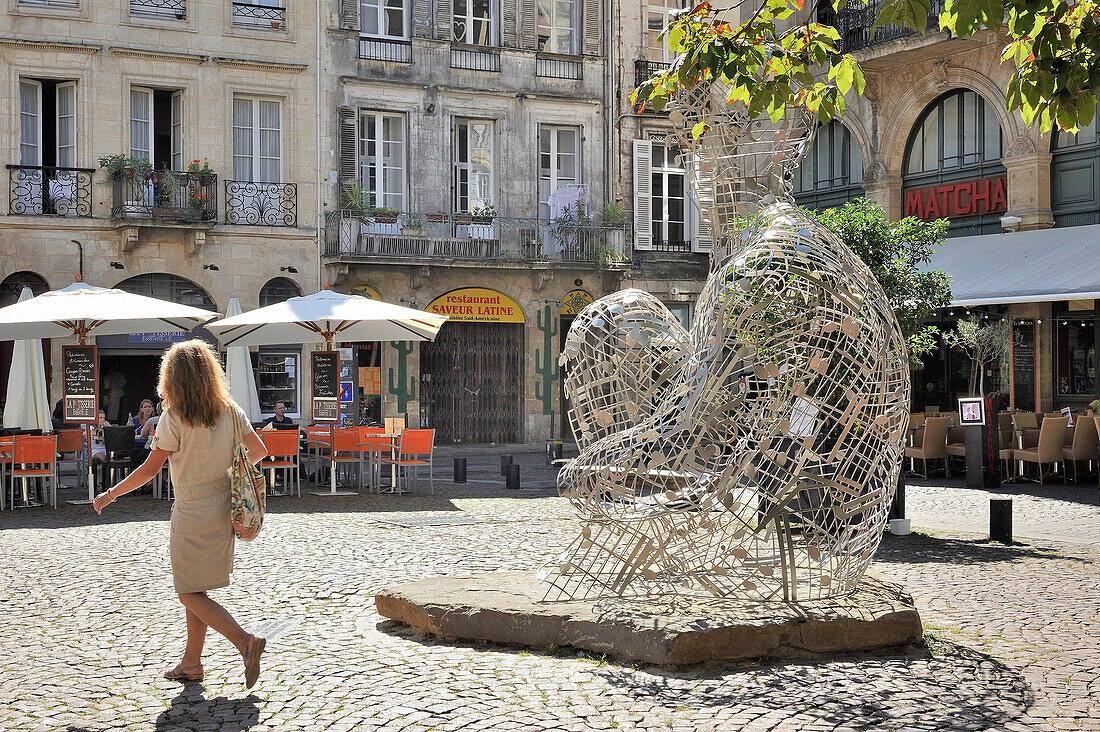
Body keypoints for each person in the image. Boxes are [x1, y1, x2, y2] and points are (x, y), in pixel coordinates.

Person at [93, 340, 269, 688]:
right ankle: (191, 663)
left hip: (191, 507)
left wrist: (111, 494)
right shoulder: (230, 409)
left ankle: (244, 641)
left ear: (172, 377)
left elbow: (149, 470)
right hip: (224, 505)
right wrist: (230, 472)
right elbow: (259, 450)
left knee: (187, 591)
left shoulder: (173, 417)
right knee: (197, 587)